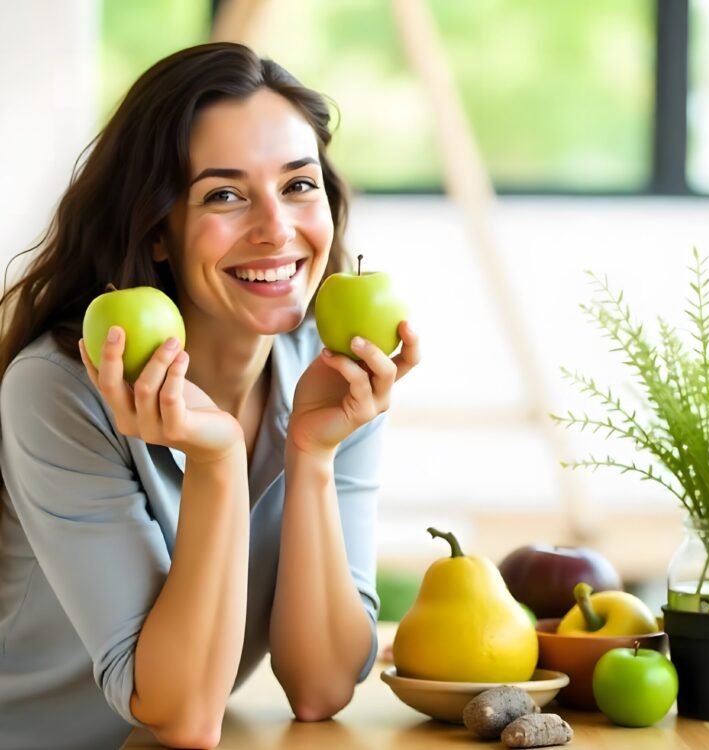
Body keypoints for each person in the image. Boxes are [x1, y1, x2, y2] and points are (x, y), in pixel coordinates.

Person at [0, 42, 420, 750]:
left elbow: (319, 687)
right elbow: (182, 716)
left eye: (298, 185)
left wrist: (313, 453)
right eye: (224, 194)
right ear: (159, 231)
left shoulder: (335, 369)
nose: (277, 229)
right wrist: (219, 461)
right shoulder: (60, 388)